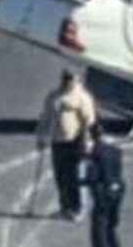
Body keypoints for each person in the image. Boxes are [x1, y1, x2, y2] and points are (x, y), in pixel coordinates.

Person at [36, 69, 97, 220]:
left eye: (71, 79)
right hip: (58, 142)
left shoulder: (82, 98)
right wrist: (42, 137)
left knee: (75, 176)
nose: (68, 82)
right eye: (65, 78)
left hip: (75, 142)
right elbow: (46, 118)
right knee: (61, 177)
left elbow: (89, 121)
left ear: (76, 80)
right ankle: (65, 208)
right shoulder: (53, 97)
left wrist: (87, 141)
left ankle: (78, 209)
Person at [84, 125, 126, 247]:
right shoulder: (115, 151)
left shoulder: (95, 154)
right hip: (119, 190)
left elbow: (94, 177)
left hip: (103, 193)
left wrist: (84, 181)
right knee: (111, 228)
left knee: (98, 231)